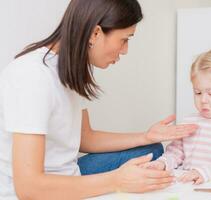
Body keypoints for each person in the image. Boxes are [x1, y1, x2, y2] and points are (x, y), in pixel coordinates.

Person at [0, 0, 199, 199]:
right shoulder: (32, 76)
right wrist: (116, 180)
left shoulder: (72, 67)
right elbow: (28, 187)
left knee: (151, 149)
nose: (125, 50)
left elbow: (85, 138)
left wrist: (145, 136)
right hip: (37, 189)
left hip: (70, 172)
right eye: (124, 39)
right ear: (95, 33)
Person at [144, 49, 211, 184]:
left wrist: (204, 173)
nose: (203, 100)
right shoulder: (189, 122)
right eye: (198, 92)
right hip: (190, 187)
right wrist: (162, 163)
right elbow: (176, 152)